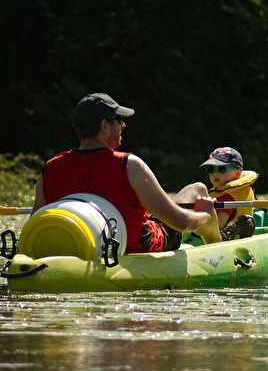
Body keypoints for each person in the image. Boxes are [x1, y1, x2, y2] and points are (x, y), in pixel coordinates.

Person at [31, 93, 222, 253]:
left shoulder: (50, 168)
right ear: (105, 126)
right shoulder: (128, 165)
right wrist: (205, 213)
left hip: (84, 247)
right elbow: (180, 222)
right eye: (119, 120)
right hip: (140, 246)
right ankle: (218, 247)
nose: (123, 126)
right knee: (198, 189)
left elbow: (35, 225)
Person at [199, 147, 259, 241]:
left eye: (221, 169)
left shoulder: (227, 197)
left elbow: (220, 224)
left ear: (237, 174)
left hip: (224, 236)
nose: (215, 174)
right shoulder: (221, 192)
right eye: (211, 169)